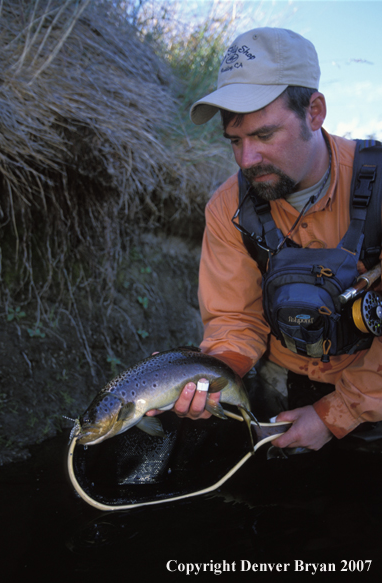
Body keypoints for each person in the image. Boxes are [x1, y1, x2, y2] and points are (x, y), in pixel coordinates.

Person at [148, 27, 382, 451]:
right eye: (235, 140)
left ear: (314, 112)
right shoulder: (227, 208)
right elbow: (235, 322)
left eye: (264, 135)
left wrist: (334, 415)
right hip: (280, 382)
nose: (246, 159)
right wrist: (209, 379)